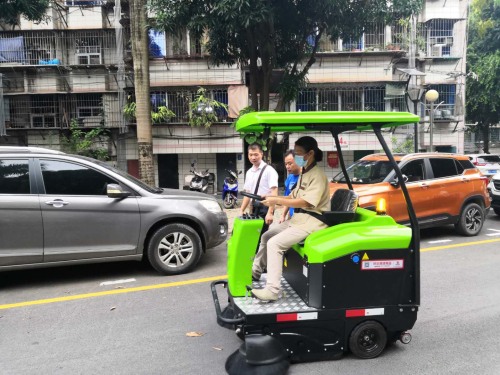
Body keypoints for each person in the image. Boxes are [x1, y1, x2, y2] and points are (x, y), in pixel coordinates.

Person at [252, 136, 330, 302]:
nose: (296, 156)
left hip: (313, 222)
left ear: (310, 153)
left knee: (275, 244)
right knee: (266, 236)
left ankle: (272, 290)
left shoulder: (318, 176)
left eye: (299, 153)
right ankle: (255, 272)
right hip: (300, 219)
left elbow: (307, 201)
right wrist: (272, 198)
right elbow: (291, 196)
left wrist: (277, 200)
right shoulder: (304, 174)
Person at [239, 143, 279, 227]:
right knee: (253, 235)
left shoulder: (269, 171)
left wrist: (270, 212)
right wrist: (241, 210)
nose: (253, 157)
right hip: (253, 206)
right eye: (251, 155)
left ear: (261, 154)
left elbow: (274, 194)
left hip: (265, 207)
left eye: (256, 154)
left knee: (261, 234)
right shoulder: (249, 172)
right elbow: (248, 193)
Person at [279, 150, 301, 224]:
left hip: (302, 219)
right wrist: (283, 215)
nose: (287, 167)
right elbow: (288, 199)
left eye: (290, 163)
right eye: (286, 164)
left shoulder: (307, 177)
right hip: (291, 217)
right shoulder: (290, 178)